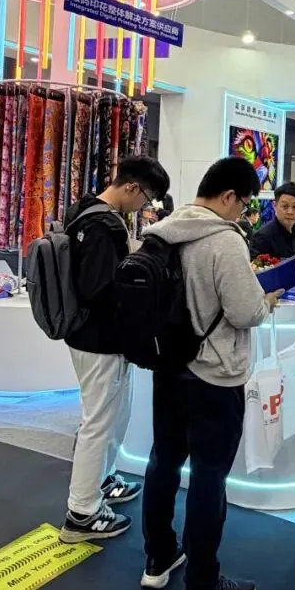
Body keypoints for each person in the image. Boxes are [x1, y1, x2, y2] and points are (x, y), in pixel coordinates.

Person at [139, 157, 283, 590]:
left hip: (168, 367)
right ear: (228, 196)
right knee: (209, 475)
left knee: (163, 462)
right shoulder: (224, 241)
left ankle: (157, 558)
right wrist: (266, 302)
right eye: (244, 203)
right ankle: (203, 579)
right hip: (215, 375)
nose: (244, 212)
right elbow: (244, 312)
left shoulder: (162, 231)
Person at [59, 156, 171, 544]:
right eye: (147, 198)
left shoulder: (84, 210)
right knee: (98, 422)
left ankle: (102, 481)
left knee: (109, 416)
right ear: (132, 187)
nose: (144, 206)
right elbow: (99, 289)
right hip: (100, 339)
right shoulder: (103, 225)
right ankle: (82, 513)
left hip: (91, 336)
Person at [249, 181, 295, 276]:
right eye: (285, 206)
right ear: (275, 206)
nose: (290, 211)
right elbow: (256, 271)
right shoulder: (262, 235)